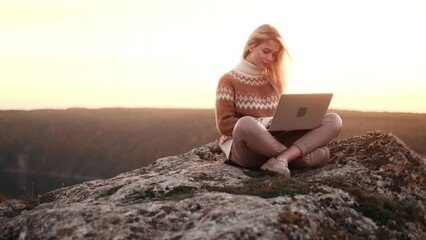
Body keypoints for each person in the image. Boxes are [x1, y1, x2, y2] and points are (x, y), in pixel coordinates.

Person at [215, 24, 342, 177]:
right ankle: (295, 157)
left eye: (274, 54)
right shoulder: (228, 80)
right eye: (266, 51)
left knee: (333, 120)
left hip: (273, 142)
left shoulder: (272, 82)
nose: (270, 58)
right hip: (246, 150)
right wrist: (264, 122)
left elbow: (280, 121)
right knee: (246, 123)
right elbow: (224, 125)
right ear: (251, 46)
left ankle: (282, 159)